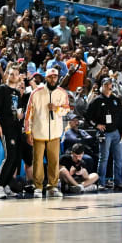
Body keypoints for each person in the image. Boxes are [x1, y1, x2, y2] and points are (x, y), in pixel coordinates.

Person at [24, 67, 70, 198]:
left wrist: (57, 109)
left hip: (55, 133)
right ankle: (38, 187)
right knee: (37, 161)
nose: (53, 79)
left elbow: (67, 110)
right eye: (50, 77)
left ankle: (52, 186)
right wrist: (28, 132)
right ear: (46, 78)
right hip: (38, 133)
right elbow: (28, 114)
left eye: (55, 77)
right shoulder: (36, 92)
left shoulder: (62, 93)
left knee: (54, 161)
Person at [87, 77, 122, 190]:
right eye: (107, 84)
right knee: (104, 158)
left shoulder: (116, 99)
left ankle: (118, 182)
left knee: (119, 158)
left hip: (116, 132)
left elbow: (121, 117)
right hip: (105, 133)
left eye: (110, 84)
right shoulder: (97, 100)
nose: (109, 87)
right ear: (102, 86)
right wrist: (96, 125)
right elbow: (87, 116)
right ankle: (101, 182)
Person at [0, 64, 24, 199]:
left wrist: (20, 116)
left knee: (16, 158)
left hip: (16, 128)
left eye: (15, 74)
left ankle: (6, 185)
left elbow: (18, 111)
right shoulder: (2, 89)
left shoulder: (17, 93)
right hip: (5, 128)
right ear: (7, 75)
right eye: (10, 74)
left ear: (19, 77)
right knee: (9, 156)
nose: (13, 76)